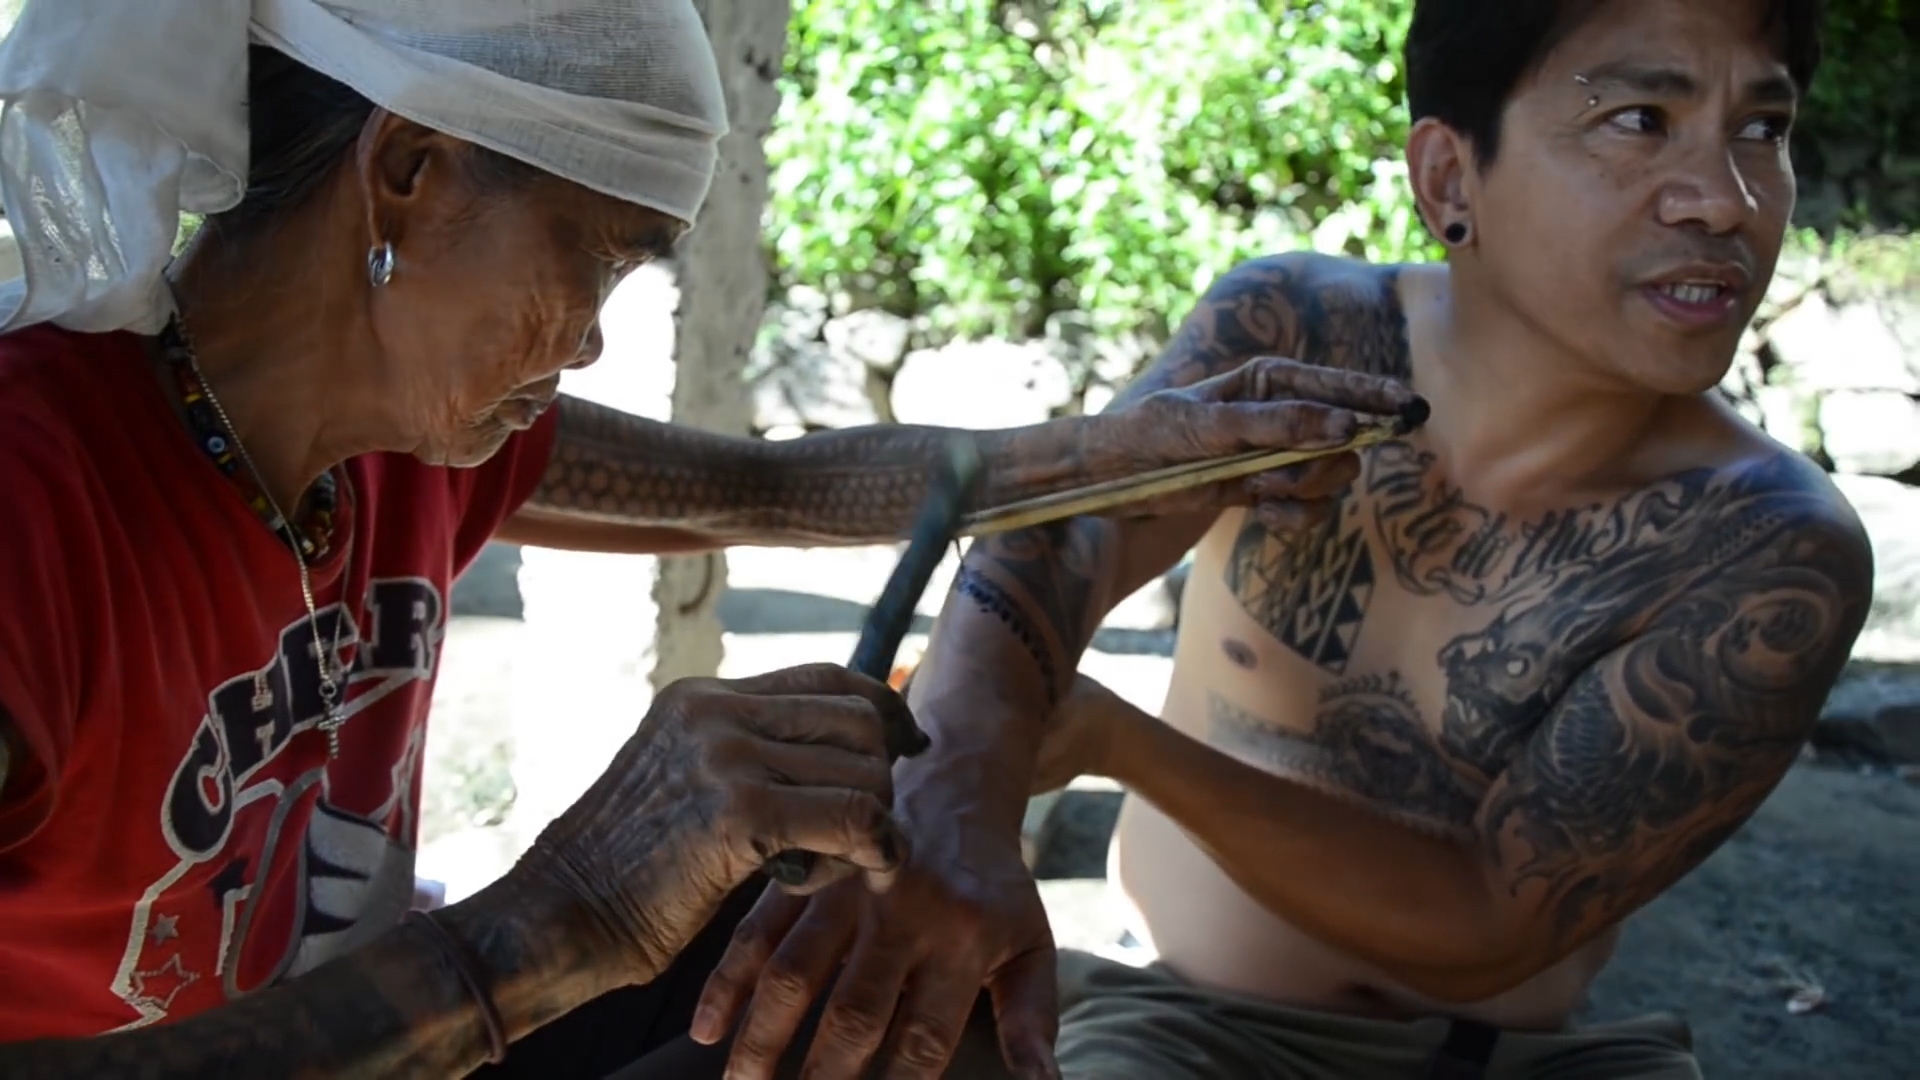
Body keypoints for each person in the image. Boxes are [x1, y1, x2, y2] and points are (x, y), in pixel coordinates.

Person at [0, 2, 1411, 1076]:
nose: (599, 330)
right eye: (598, 251)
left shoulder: (403, 444)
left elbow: (766, 492)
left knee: (892, 958)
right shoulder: (36, 503)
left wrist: (1097, 457)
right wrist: (550, 920)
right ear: (411, 173)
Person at [686, 1, 1877, 1078]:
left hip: (1537, 1060)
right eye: (1638, 119)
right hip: (1183, 1031)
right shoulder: (1302, 333)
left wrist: (1116, 740)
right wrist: (962, 785)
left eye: (1760, 130)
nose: (1723, 200)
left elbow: (1486, 921)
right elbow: (1055, 543)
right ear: (1450, 175)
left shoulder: (1769, 548)